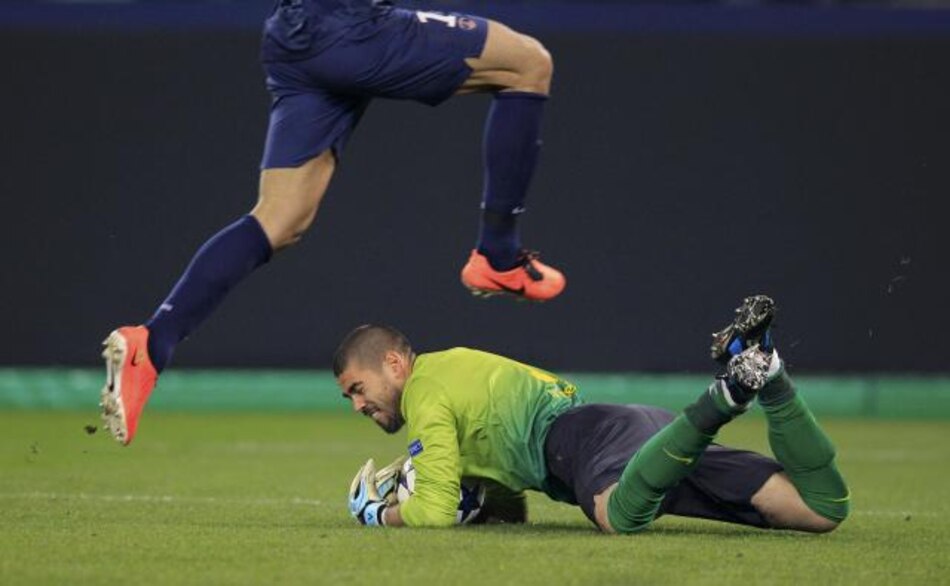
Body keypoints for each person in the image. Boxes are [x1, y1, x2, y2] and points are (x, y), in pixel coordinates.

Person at [99, 0, 567, 445]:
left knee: (280, 219)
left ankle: (153, 344)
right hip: (349, 26)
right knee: (527, 63)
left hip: (294, 36)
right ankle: (498, 254)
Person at [338, 296, 851, 532]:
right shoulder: (450, 373)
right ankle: (771, 373)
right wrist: (483, 507)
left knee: (617, 518)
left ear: (393, 362)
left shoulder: (425, 393)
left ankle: (724, 399)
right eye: (350, 399)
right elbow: (510, 499)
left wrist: (380, 513)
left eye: (359, 389)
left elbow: (430, 512)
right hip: (642, 442)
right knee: (822, 511)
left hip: (588, 441)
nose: (359, 405)